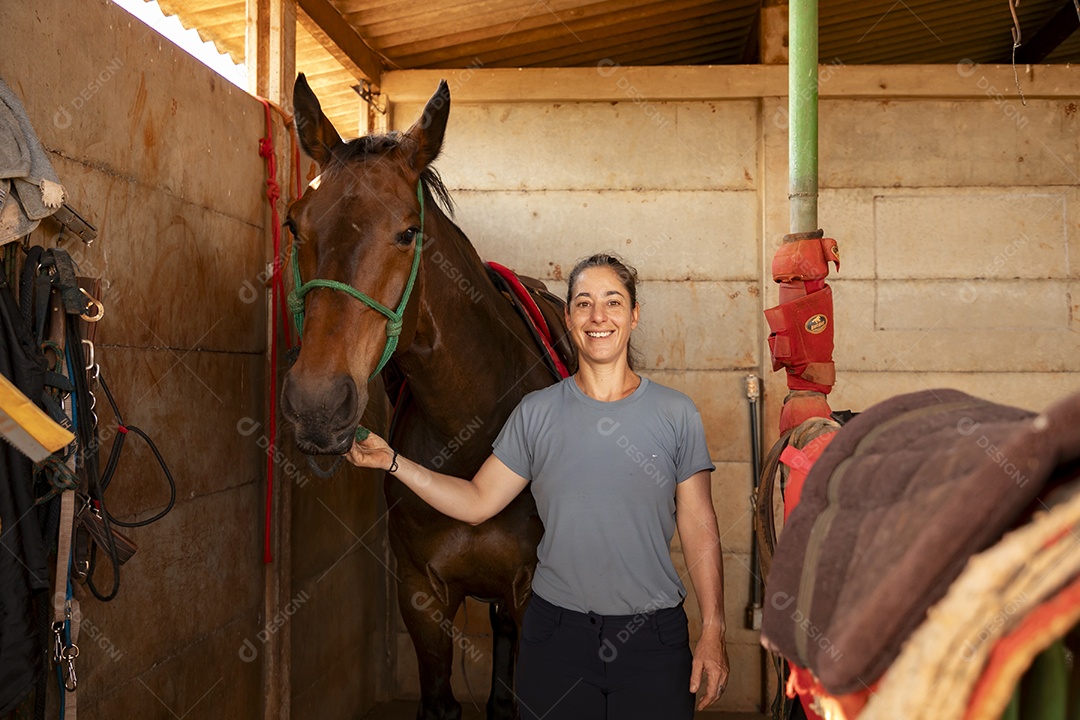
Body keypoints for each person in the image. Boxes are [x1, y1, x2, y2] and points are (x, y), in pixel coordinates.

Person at [346, 253, 730, 719]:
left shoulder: (676, 414)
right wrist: (393, 462)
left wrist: (713, 629)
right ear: (567, 318)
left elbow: (698, 524)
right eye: (584, 304)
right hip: (556, 638)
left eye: (613, 302)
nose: (598, 317)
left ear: (634, 315)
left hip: (652, 637)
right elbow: (476, 501)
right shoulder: (536, 413)